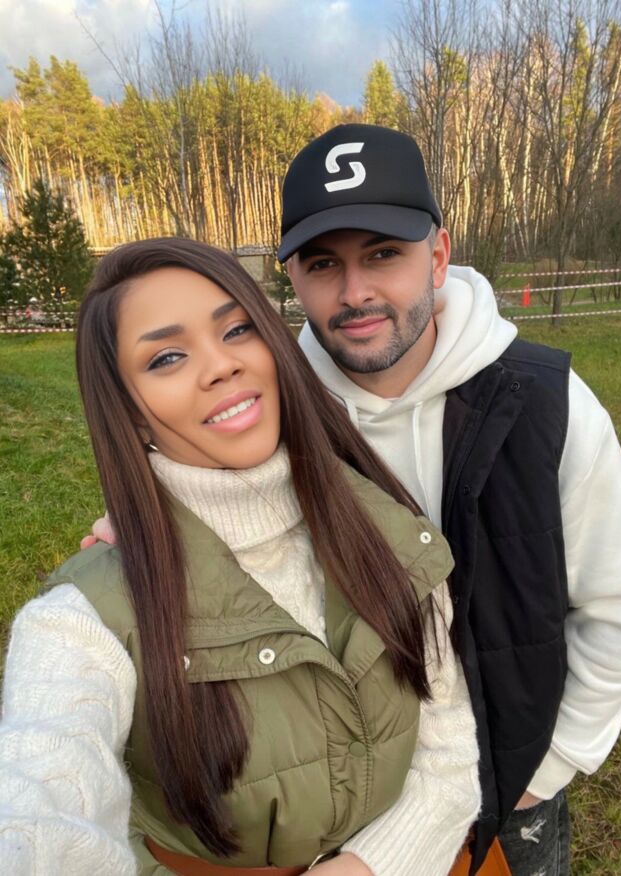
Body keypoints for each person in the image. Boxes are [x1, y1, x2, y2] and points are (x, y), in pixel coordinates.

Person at [0, 238, 482, 876]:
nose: (221, 365)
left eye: (236, 329)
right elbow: (40, 800)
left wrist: (367, 867)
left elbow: (448, 757)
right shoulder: (78, 623)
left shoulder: (389, 533)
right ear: (130, 413)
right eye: (167, 357)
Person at [277, 124, 621, 875]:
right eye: (323, 264)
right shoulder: (272, 418)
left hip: (511, 796)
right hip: (346, 808)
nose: (355, 293)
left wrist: (545, 769)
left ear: (438, 255)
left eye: (383, 254)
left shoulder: (546, 405)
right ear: (294, 279)